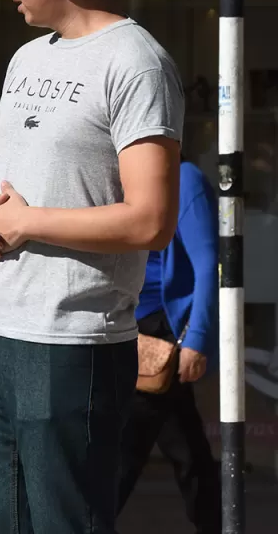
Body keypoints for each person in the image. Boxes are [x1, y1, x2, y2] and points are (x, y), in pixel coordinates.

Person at [0, 0, 184, 534]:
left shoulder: (136, 63)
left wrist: (28, 222)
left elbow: (150, 219)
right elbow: (11, 179)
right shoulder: (28, 58)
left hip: (69, 345)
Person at [117, 158, 220, 533]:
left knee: (125, 450)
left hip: (157, 332)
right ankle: (217, 524)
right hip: (123, 323)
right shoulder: (121, 174)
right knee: (188, 449)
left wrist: (197, 339)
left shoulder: (184, 177)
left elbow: (209, 262)